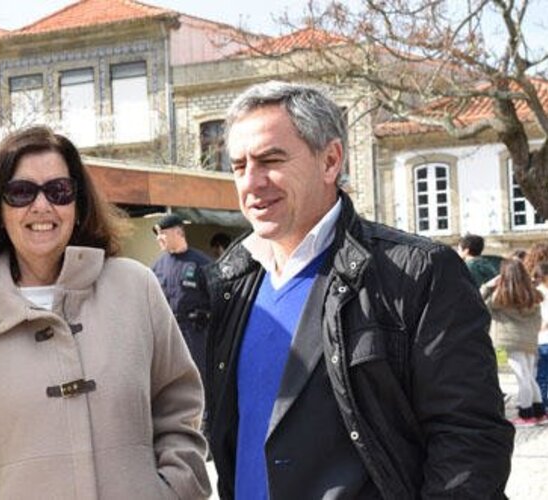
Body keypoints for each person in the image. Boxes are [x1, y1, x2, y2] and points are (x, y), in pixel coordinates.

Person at [201, 81, 513, 498]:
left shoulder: (418, 274)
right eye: (239, 167)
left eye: (270, 160)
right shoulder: (230, 284)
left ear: (330, 160)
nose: (251, 182)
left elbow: (469, 438)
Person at [0, 126, 210, 499]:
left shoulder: (135, 287)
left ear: (78, 204)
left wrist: (173, 489)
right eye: (21, 192)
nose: (42, 206)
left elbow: (179, 406)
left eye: (58, 191)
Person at [482, 259, 545, 426]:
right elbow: (537, 321)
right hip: (529, 342)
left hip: (507, 343)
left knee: (522, 377)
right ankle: (539, 412)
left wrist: (488, 285)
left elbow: (479, 302)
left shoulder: (500, 296)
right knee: (528, 377)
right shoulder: (533, 295)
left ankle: (526, 414)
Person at [151, 213, 212, 373]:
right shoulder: (156, 267)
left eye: (163, 233)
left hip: (195, 334)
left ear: (178, 232)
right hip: (168, 334)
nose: (158, 238)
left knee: (198, 377)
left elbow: (217, 300)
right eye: (157, 234)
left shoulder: (202, 263)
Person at [533, 261, 548, 402]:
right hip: (542, 339)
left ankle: (542, 404)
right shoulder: (539, 292)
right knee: (542, 374)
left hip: (542, 339)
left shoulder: (539, 292)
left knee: (542, 374)